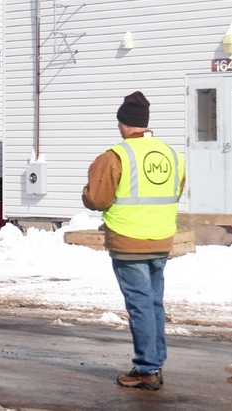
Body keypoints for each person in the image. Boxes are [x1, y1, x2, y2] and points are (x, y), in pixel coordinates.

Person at [82, 91, 185, 391]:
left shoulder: (116, 156)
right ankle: (155, 361)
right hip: (161, 239)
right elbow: (174, 192)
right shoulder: (172, 154)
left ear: (123, 124)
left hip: (129, 241)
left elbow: (98, 199)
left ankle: (146, 370)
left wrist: (86, 193)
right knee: (153, 303)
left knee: (140, 305)